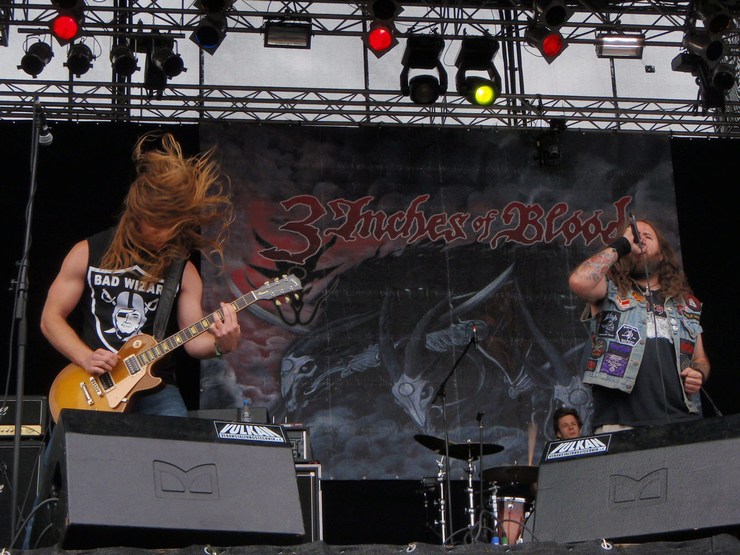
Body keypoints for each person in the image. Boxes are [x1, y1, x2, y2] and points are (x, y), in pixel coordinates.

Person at [40, 131, 241, 417]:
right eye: (156, 226)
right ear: (136, 216)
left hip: (155, 387)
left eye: (171, 227)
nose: (164, 235)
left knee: (179, 443)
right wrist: (84, 356)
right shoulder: (87, 252)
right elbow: (50, 318)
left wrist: (222, 344)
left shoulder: (182, 270)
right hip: (94, 382)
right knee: (70, 445)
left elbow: (194, 340)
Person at [568, 218, 709, 434]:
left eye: (647, 236)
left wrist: (698, 373)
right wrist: (623, 244)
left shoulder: (685, 305)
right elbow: (580, 281)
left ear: (661, 254)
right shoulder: (609, 290)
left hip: (680, 419)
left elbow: (700, 359)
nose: (639, 240)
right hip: (620, 421)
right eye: (634, 236)